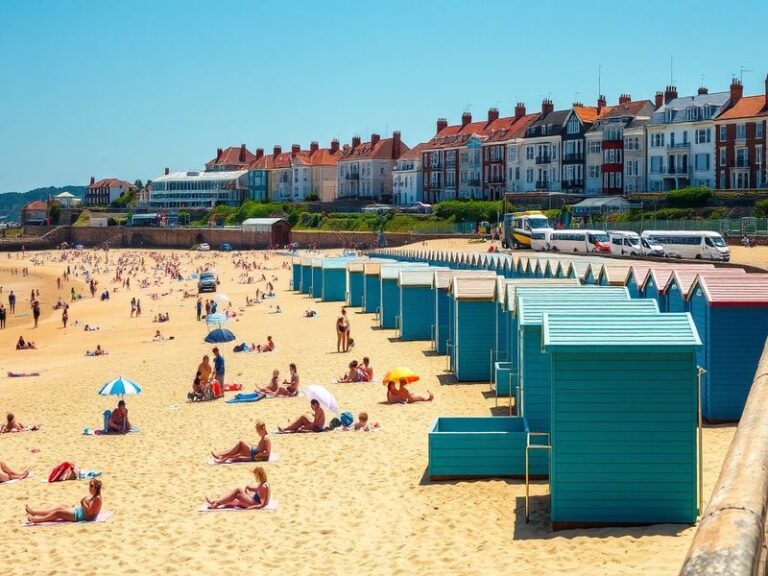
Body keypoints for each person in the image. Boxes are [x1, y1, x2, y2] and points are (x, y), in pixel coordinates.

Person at [26, 478, 102, 523]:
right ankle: (34, 512)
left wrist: (83, 502)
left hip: (79, 516)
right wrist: (84, 502)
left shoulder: (97, 499)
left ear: (96, 488)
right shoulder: (95, 497)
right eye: (90, 486)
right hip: (79, 512)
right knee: (59, 506)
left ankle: (37, 520)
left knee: (58, 512)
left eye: (91, 486)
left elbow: (89, 513)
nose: (89, 488)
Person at [205, 466, 270, 510]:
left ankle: (215, 504)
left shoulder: (263, 487)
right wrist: (249, 488)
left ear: (259, 475)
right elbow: (257, 490)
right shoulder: (263, 484)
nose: (255, 477)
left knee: (238, 490)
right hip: (253, 501)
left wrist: (251, 507)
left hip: (254, 503)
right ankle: (214, 502)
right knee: (235, 497)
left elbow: (262, 505)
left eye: (255, 475)